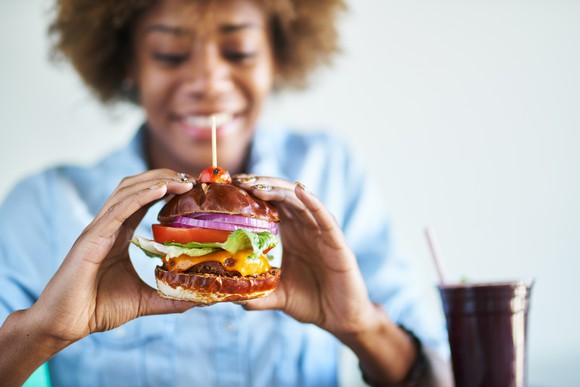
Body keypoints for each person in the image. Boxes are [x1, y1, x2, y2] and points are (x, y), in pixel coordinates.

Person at [0, 0, 452, 386]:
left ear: (277, 57)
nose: (210, 81)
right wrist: (44, 333)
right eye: (171, 54)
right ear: (128, 64)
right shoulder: (46, 204)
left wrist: (361, 326)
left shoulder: (328, 174)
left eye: (239, 51)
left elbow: (443, 373)